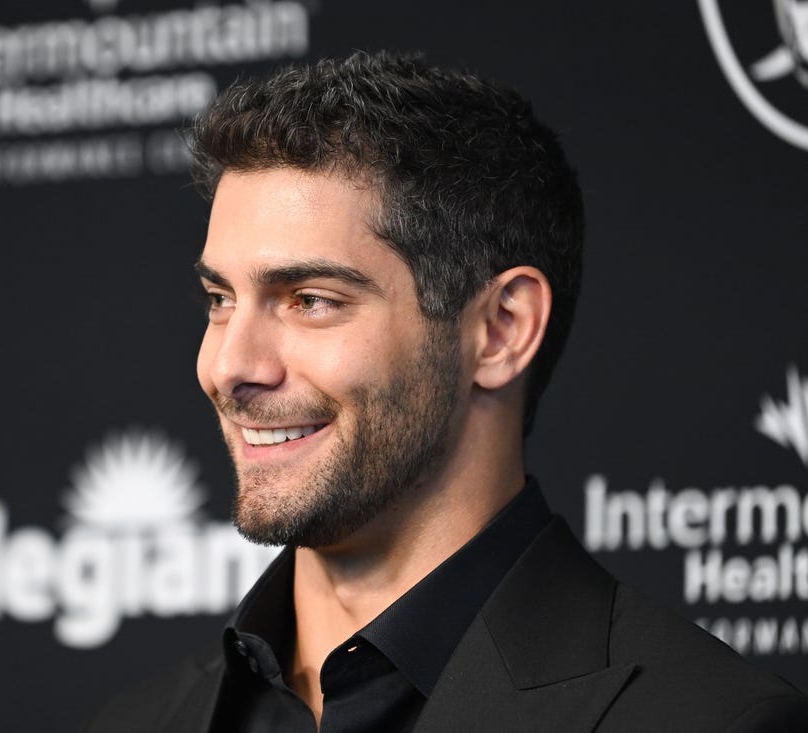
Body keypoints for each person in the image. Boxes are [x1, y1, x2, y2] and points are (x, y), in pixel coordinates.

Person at [87, 51, 808, 732]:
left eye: (309, 298)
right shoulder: (136, 722)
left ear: (500, 330)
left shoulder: (709, 720)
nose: (228, 364)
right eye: (220, 298)